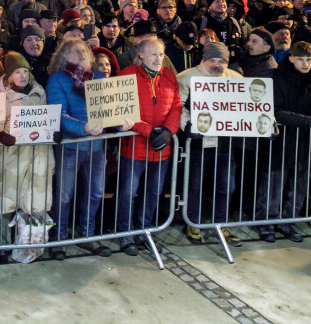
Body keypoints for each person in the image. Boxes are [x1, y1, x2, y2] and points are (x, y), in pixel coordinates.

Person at [259, 42, 311, 242]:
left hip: (307, 142)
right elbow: (277, 111)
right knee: (274, 184)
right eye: (300, 59)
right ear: (291, 58)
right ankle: (266, 223)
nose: (305, 63)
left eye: (308, 59)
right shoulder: (278, 79)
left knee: (299, 185)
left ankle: (287, 222)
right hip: (281, 140)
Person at [116, 37, 181, 256]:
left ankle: (144, 230)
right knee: (128, 193)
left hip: (161, 149)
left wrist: (168, 131)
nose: (158, 59)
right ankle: (125, 233)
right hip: (134, 147)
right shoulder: (127, 75)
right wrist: (147, 130)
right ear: (141, 55)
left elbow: (176, 107)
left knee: (153, 192)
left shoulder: (169, 76)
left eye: (161, 54)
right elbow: (121, 109)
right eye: (153, 54)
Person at [45, 38, 108, 260]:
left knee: (96, 192)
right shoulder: (57, 80)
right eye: (75, 51)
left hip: (97, 148)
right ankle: (59, 238)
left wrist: (122, 122)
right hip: (71, 147)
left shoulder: (99, 78)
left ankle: (87, 234)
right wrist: (83, 127)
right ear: (64, 57)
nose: (81, 54)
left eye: (84, 50)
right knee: (64, 195)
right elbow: (59, 115)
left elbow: (109, 111)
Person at [176, 41, 244, 247]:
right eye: (212, 60)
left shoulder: (235, 78)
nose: (217, 65)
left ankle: (220, 223)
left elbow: (250, 106)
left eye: (221, 61)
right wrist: (186, 125)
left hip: (224, 142)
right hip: (197, 142)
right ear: (203, 60)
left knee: (227, 186)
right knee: (194, 184)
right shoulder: (186, 77)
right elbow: (178, 105)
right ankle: (193, 222)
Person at [0, 52, 55, 251]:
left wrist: (52, 134)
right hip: (11, 155)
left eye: (25, 71)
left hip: (37, 154)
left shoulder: (38, 91)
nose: (23, 75)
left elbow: (45, 120)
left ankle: (28, 245)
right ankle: (2, 246)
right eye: (18, 71)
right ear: (9, 75)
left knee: (33, 200)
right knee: (5, 201)